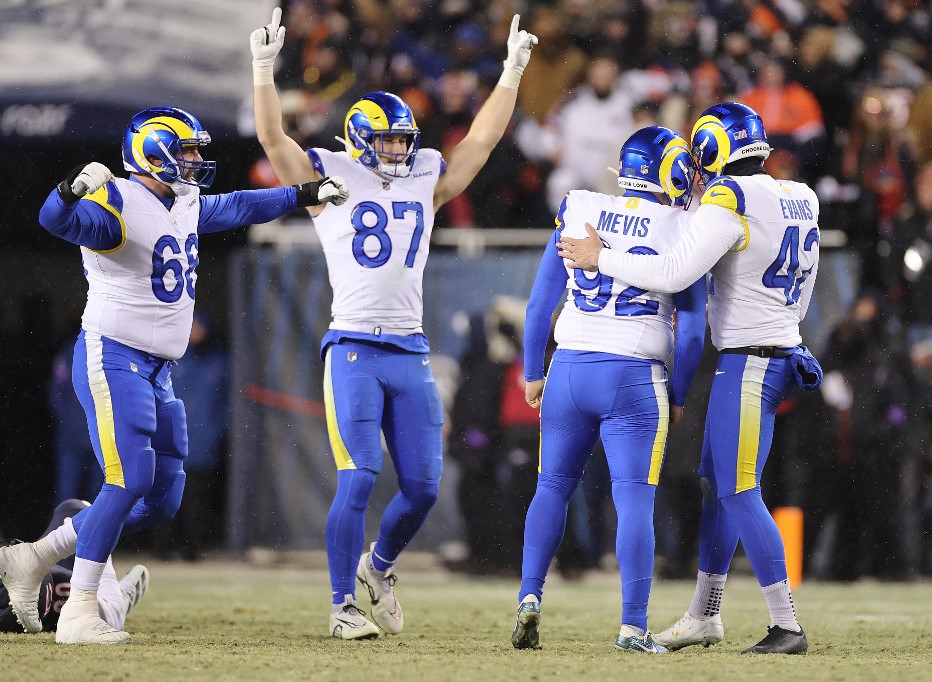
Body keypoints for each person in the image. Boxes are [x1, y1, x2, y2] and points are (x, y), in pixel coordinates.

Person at [0, 105, 349, 645]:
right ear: (153, 150)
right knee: (129, 479)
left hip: (159, 370)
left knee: (162, 497)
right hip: (114, 356)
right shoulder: (115, 201)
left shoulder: (181, 201)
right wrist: (69, 189)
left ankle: (38, 556)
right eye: (186, 149)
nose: (196, 159)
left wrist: (303, 194)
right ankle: (80, 612)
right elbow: (56, 221)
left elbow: (236, 205)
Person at [248, 8, 538, 640]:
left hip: (408, 351)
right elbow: (274, 142)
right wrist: (264, 69)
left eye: (405, 139)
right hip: (352, 346)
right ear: (358, 139)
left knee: (425, 489)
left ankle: (376, 571)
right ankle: (341, 607)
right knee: (357, 479)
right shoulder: (332, 175)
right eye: (387, 140)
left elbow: (480, 143)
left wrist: (511, 73)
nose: (399, 150)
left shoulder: (425, 176)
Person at [557, 102, 823, 655]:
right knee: (715, 484)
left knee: (739, 489)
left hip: (749, 360)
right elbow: (807, 276)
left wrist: (600, 257)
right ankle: (705, 612)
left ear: (712, 151)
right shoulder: (800, 194)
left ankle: (787, 623)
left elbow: (675, 271)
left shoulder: (731, 198)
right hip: (775, 351)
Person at [511, 126, 706, 654]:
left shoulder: (580, 208)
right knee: (634, 501)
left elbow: (537, 305)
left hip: (569, 368)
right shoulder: (687, 225)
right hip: (633, 375)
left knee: (551, 486)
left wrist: (534, 370)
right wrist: (682, 393)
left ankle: (530, 598)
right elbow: (690, 330)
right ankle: (632, 625)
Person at [1, 500, 148, 634]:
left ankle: (112, 601)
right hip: (33, 597)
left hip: (29, 576)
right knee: (111, 616)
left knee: (75, 509)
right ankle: (115, 601)